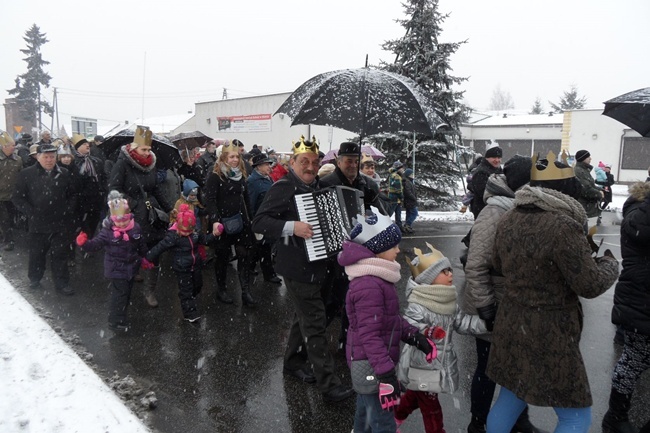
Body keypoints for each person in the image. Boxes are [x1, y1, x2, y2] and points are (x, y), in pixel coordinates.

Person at [486, 152, 620, 433]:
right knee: (575, 415)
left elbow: (497, 264)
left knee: (511, 397)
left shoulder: (510, 217)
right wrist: (608, 264)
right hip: (550, 331)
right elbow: (590, 284)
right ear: (565, 189)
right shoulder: (563, 226)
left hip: (512, 321)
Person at [252, 135, 354, 403]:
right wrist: (292, 227)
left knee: (306, 317)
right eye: (304, 161)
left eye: (314, 161)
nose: (310, 166)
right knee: (316, 323)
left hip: (321, 265)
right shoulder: (283, 187)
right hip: (297, 267)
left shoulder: (320, 186)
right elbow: (259, 222)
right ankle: (329, 386)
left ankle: (293, 362)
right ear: (292, 162)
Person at [462, 156, 541, 433]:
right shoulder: (495, 211)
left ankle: (519, 420)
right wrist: (486, 306)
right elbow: (475, 264)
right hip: (492, 302)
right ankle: (478, 424)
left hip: (512, 302)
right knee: (488, 368)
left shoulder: (521, 208)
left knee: (517, 364)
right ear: (521, 183)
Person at [340, 208, 434, 432]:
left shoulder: (378, 279)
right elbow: (370, 335)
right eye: (393, 246)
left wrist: (413, 336)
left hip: (370, 364)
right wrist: (385, 374)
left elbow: (387, 321)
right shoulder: (369, 284)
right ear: (378, 250)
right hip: (371, 366)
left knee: (365, 415)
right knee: (383, 424)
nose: (398, 250)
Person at [395, 244, 460, 433]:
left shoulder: (449, 300)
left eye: (450, 270)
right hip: (422, 363)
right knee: (431, 407)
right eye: (444, 272)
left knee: (416, 395)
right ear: (430, 279)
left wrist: (485, 324)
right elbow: (409, 325)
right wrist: (428, 331)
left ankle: (394, 418)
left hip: (439, 363)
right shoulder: (419, 303)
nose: (450, 275)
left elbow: (462, 321)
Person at [602, 180, 650, 433]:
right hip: (641, 298)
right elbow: (642, 231)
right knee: (633, 360)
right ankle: (615, 417)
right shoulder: (638, 209)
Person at [108, 126, 173, 308]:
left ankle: (149, 290)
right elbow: (114, 190)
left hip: (151, 216)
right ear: (133, 147)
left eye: (149, 149)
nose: (147, 152)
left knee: (154, 253)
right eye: (144, 149)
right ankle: (124, 291)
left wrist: (169, 208)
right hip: (131, 217)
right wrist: (134, 204)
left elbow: (156, 188)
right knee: (130, 253)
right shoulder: (122, 164)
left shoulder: (151, 163)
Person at [75, 191, 148, 332]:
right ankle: (116, 322)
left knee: (126, 294)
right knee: (119, 295)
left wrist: (145, 258)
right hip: (116, 269)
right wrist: (84, 243)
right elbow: (95, 244)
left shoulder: (135, 227)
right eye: (119, 220)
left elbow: (141, 245)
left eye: (125, 219)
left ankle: (122, 316)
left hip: (131, 268)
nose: (123, 223)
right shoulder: (107, 232)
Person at [12, 143, 77, 295]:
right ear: (38, 157)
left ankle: (62, 283)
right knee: (37, 253)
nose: (49, 160)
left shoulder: (64, 173)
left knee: (60, 255)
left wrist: (68, 209)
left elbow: (73, 194)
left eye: (52, 157)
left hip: (60, 222)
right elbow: (17, 198)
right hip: (38, 223)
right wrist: (30, 212)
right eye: (46, 157)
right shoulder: (26, 174)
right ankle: (35, 277)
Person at [204, 141, 257, 306]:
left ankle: (245, 292)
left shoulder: (241, 174)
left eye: (237, 156)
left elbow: (246, 198)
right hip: (222, 223)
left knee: (244, 255)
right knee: (222, 258)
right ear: (224, 157)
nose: (235, 159)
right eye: (231, 156)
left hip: (241, 221)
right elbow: (210, 200)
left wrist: (251, 218)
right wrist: (214, 221)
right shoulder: (215, 176)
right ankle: (221, 289)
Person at [145, 204, 213, 323]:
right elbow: (160, 247)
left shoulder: (195, 233)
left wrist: (215, 235)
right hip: (182, 268)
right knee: (186, 290)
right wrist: (148, 257)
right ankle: (190, 313)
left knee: (198, 285)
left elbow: (205, 240)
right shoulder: (173, 236)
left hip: (195, 265)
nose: (186, 234)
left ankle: (188, 298)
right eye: (183, 231)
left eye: (189, 231)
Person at [320, 142, 385, 215]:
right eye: (349, 161)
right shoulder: (324, 184)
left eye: (357, 161)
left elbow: (382, 215)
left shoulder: (369, 185)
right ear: (339, 163)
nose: (353, 165)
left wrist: (372, 211)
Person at [247, 152, 281, 284]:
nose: (269, 167)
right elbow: (250, 202)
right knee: (265, 247)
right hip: (260, 219)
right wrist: (253, 221)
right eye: (267, 164)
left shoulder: (268, 178)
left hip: (269, 217)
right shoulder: (253, 182)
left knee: (260, 246)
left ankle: (249, 266)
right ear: (258, 166)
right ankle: (269, 274)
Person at [73, 133, 107, 237]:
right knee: (83, 226)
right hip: (82, 201)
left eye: (87, 143)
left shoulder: (96, 161)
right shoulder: (73, 162)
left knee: (94, 224)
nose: (87, 145)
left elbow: (103, 178)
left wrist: (103, 191)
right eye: (83, 144)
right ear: (77, 148)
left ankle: (90, 246)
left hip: (96, 199)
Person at [0, 131, 23, 251]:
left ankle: (9, 236)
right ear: (4, 147)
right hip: (1, 196)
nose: (14, 148)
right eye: (12, 146)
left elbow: (21, 175)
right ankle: (8, 240)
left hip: (13, 195)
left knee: (11, 217)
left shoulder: (18, 160)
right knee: (4, 219)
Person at [469, 143, 503, 219]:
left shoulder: (497, 169)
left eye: (499, 157)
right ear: (487, 158)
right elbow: (484, 193)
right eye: (494, 157)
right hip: (483, 210)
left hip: (492, 210)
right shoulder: (481, 172)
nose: (497, 160)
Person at [573, 149, 604, 226]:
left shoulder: (584, 170)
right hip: (581, 206)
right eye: (588, 157)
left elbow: (590, 185)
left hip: (583, 206)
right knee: (581, 230)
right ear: (582, 158)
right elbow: (585, 189)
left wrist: (600, 190)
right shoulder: (579, 171)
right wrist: (599, 194)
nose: (590, 158)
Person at [388, 161, 405, 227]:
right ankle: (398, 226)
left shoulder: (392, 175)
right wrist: (401, 197)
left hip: (393, 197)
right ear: (398, 168)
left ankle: (399, 226)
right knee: (391, 213)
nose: (403, 169)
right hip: (395, 198)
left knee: (397, 212)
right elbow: (398, 189)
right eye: (402, 168)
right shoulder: (396, 176)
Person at [402, 168, 418, 234]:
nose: (413, 175)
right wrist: (413, 198)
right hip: (410, 201)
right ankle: (407, 225)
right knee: (414, 213)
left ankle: (408, 227)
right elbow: (408, 192)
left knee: (409, 214)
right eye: (411, 174)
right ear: (408, 175)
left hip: (409, 201)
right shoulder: (407, 182)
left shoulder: (410, 181)